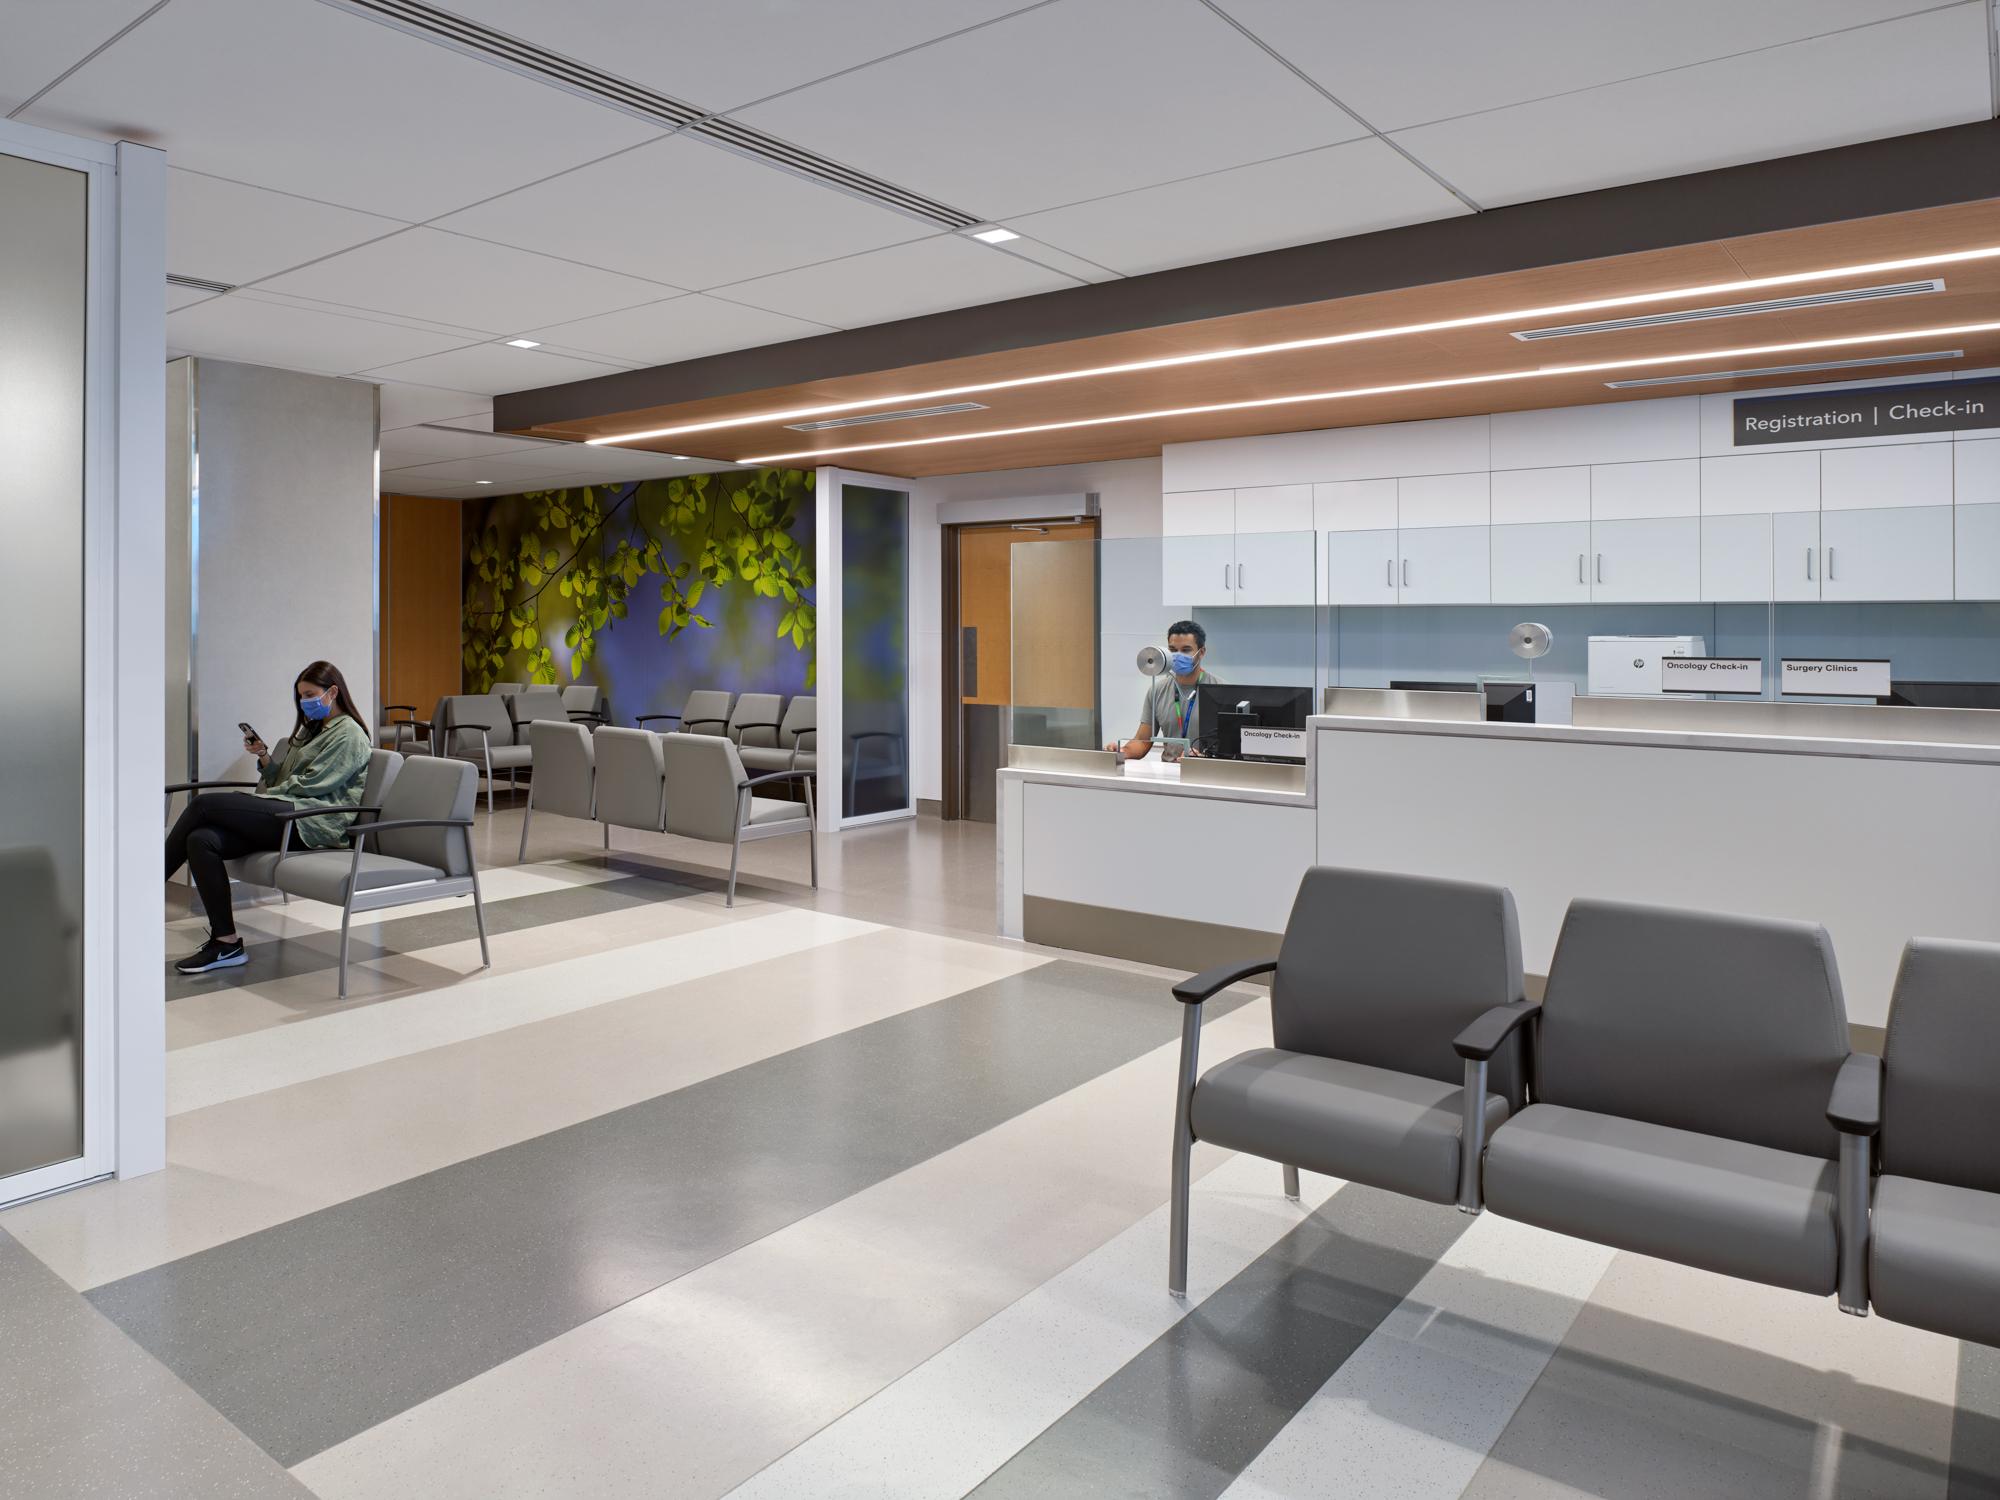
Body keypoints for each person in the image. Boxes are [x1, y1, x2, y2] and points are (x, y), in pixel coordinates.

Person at [166, 661, 372, 975]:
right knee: (201, 840)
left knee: (203, 806)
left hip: (314, 822)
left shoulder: (350, 734)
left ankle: (140, 890)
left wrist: (255, 801)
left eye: (310, 694)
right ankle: (226, 943)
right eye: (301, 696)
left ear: (333, 691)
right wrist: (264, 757)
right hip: (290, 811)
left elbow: (315, 785)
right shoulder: (312, 731)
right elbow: (281, 782)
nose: (305, 702)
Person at [1107, 619, 1217, 760]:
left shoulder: (1220, 690)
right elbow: (1142, 740)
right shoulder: (1157, 690)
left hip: (1205, 773)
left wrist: (1204, 757)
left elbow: (1232, 747)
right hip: (1168, 773)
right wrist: (1122, 751)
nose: (1178, 656)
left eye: (1186, 650)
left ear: (1201, 652)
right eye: (1172, 650)